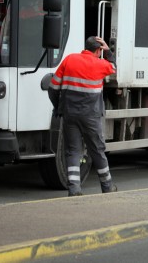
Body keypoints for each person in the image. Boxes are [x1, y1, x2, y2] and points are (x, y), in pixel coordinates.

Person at [48, 36, 117, 196]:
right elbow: (113, 68)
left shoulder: (69, 60)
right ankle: (107, 187)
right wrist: (108, 52)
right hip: (91, 116)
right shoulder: (100, 64)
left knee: (72, 151)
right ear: (98, 51)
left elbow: (53, 87)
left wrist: (58, 107)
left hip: (70, 114)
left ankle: (74, 189)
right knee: (97, 150)